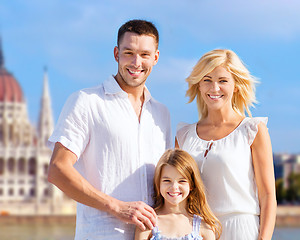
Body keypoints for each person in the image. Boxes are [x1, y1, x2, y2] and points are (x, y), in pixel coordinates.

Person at [47, 19, 172, 239]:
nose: (136, 62)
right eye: (128, 53)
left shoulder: (161, 114)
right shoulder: (86, 101)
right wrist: (116, 207)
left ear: (156, 58)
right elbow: (57, 169)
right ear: (116, 54)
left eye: (144, 54)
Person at [175, 49, 276, 239]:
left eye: (222, 81)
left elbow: (268, 195)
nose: (214, 88)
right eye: (207, 80)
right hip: (196, 231)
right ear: (198, 85)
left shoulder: (253, 130)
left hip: (241, 229)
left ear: (236, 85)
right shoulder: (183, 135)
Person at [135, 149, 221, 240]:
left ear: (191, 184)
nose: (174, 187)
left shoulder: (204, 227)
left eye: (182, 181)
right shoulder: (147, 223)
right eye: (167, 180)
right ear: (158, 183)